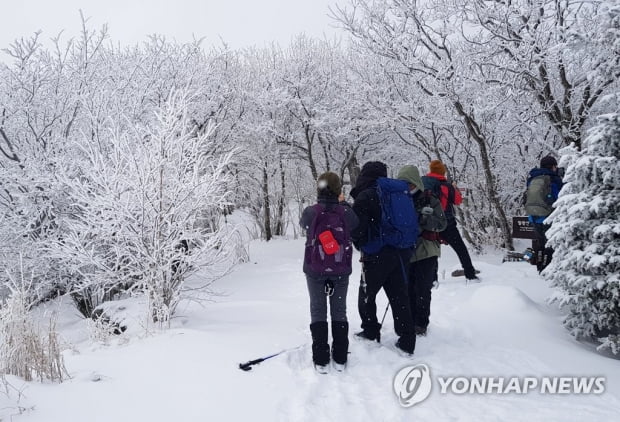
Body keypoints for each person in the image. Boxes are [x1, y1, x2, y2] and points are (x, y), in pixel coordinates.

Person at [349, 161, 416, 355]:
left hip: (377, 253)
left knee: (367, 294)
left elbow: (356, 227)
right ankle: (407, 340)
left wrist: (361, 244)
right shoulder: (398, 193)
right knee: (399, 295)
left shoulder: (366, 195)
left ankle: (370, 330)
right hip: (401, 251)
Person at [300, 171, 359, 373]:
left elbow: (304, 225)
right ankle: (341, 357)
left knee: (318, 310)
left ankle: (321, 358)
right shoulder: (346, 213)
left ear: (319, 187)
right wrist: (343, 205)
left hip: (315, 269)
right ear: (338, 190)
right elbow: (356, 225)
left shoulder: (311, 212)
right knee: (339, 311)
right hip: (341, 268)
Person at [398, 165, 447, 336]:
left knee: (422, 289)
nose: (407, 188)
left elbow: (442, 224)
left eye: (409, 184)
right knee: (408, 288)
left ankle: (421, 323)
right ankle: (410, 320)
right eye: (403, 184)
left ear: (416, 183)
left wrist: (424, 219)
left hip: (427, 250)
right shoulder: (398, 199)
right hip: (406, 251)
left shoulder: (429, 199)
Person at [422, 160, 479, 282]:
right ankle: (470, 274)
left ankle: (433, 279)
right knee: (461, 249)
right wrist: (455, 188)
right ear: (443, 172)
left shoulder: (423, 183)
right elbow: (458, 201)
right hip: (446, 222)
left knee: (432, 251)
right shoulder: (446, 185)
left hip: (428, 223)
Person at [525, 155, 564, 272]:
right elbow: (561, 197)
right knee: (550, 245)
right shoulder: (554, 179)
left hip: (533, 217)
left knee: (540, 244)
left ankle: (540, 267)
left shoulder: (532, 178)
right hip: (548, 217)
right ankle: (548, 270)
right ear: (553, 166)